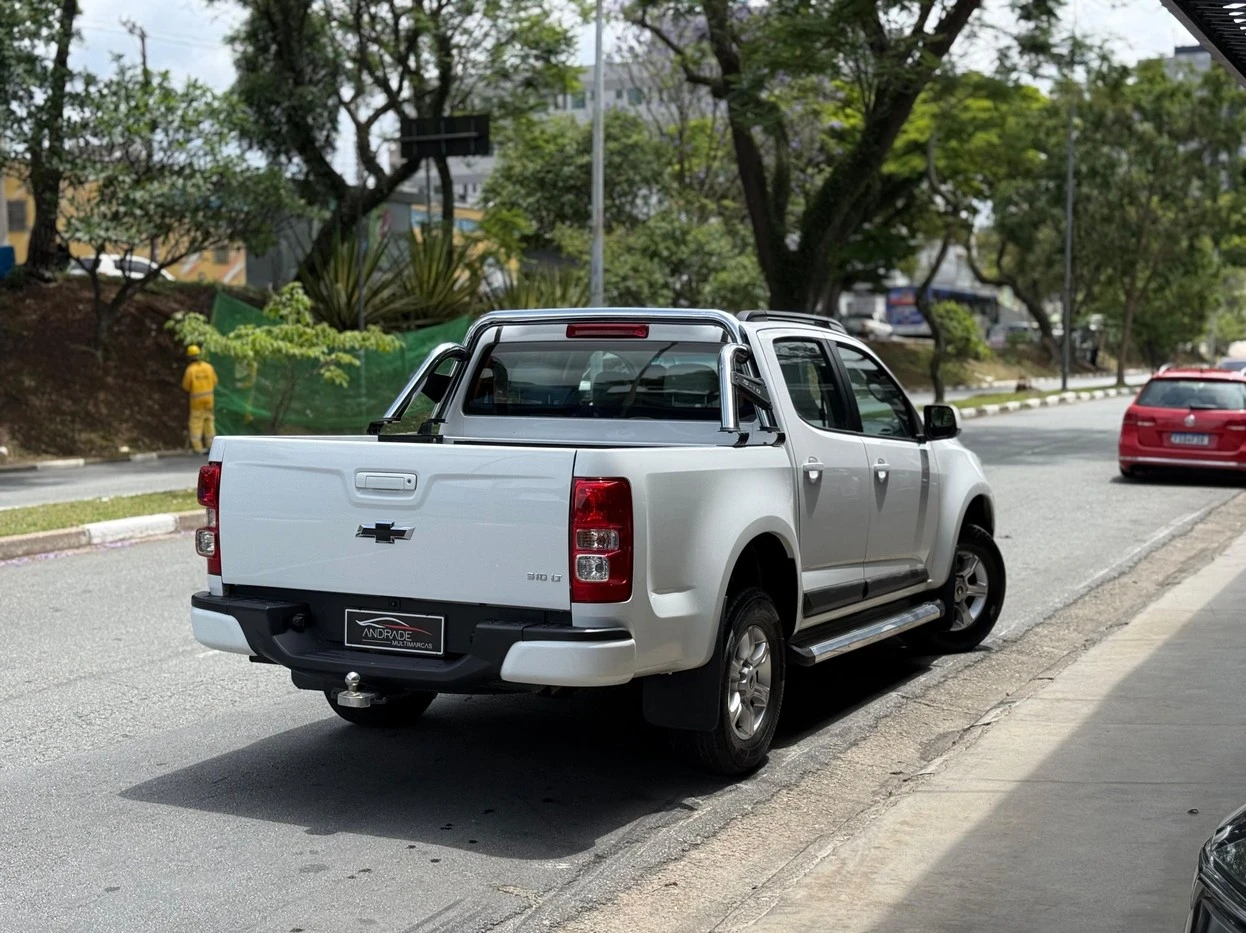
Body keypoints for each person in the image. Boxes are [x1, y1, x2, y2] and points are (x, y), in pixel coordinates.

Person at [182, 345, 218, 455]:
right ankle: (211, 446)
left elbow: (186, 386)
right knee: (209, 423)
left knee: (196, 424)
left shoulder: (190, 371)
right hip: (209, 401)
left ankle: (197, 448)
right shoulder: (209, 367)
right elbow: (215, 381)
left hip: (196, 403)